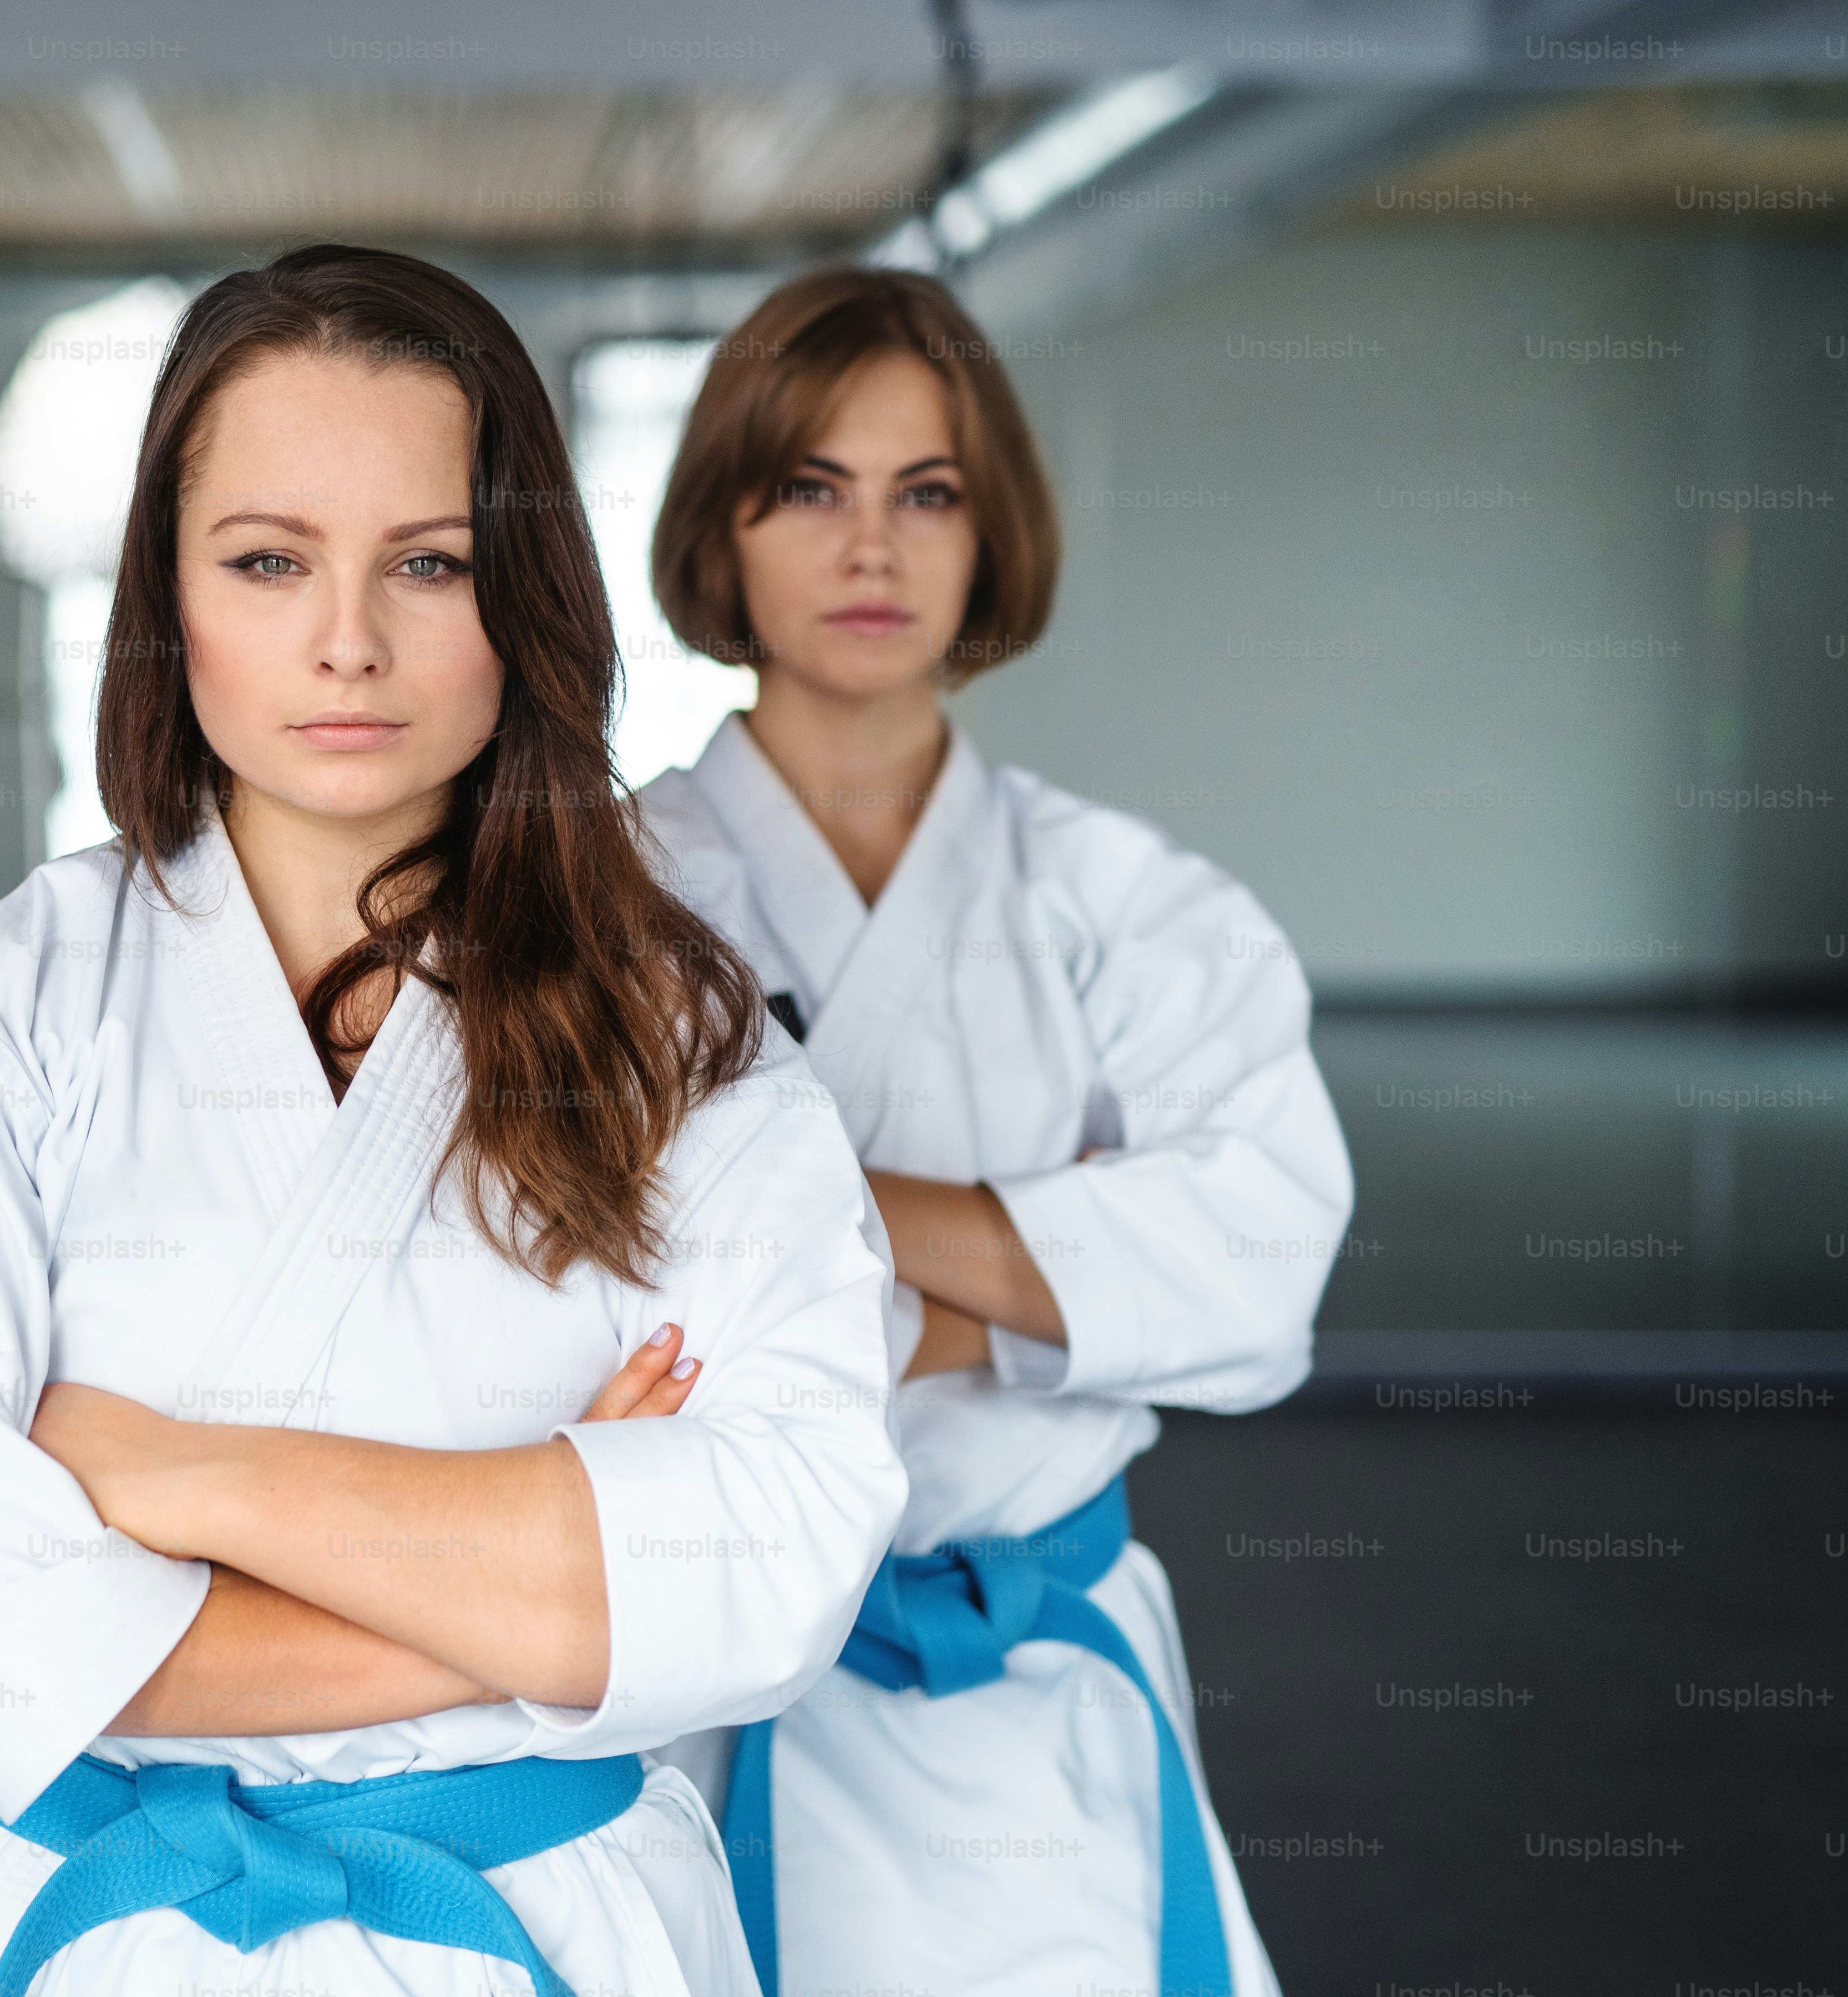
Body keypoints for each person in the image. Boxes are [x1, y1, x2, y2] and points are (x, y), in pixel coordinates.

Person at [0, 244, 907, 1997]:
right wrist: (532, 1573)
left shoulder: (678, 1041)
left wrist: (172, 1477)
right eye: (269, 561)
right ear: (170, 598)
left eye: (430, 563)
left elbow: (777, 1562)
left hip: (532, 1922)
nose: (348, 641)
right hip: (88, 1933)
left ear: (521, 593)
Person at [634, 267, 1354, 1997]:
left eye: (926, 492)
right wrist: (1072, 1264)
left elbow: (1260, 1267)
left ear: (988, 537)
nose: (869, 548)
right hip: (717, 1702)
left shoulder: (1125, 901)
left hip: (1043, 1699)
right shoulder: (599, 894)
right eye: (809, 487)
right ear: (721, 535)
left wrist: (803, 1258)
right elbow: (558, 1291)